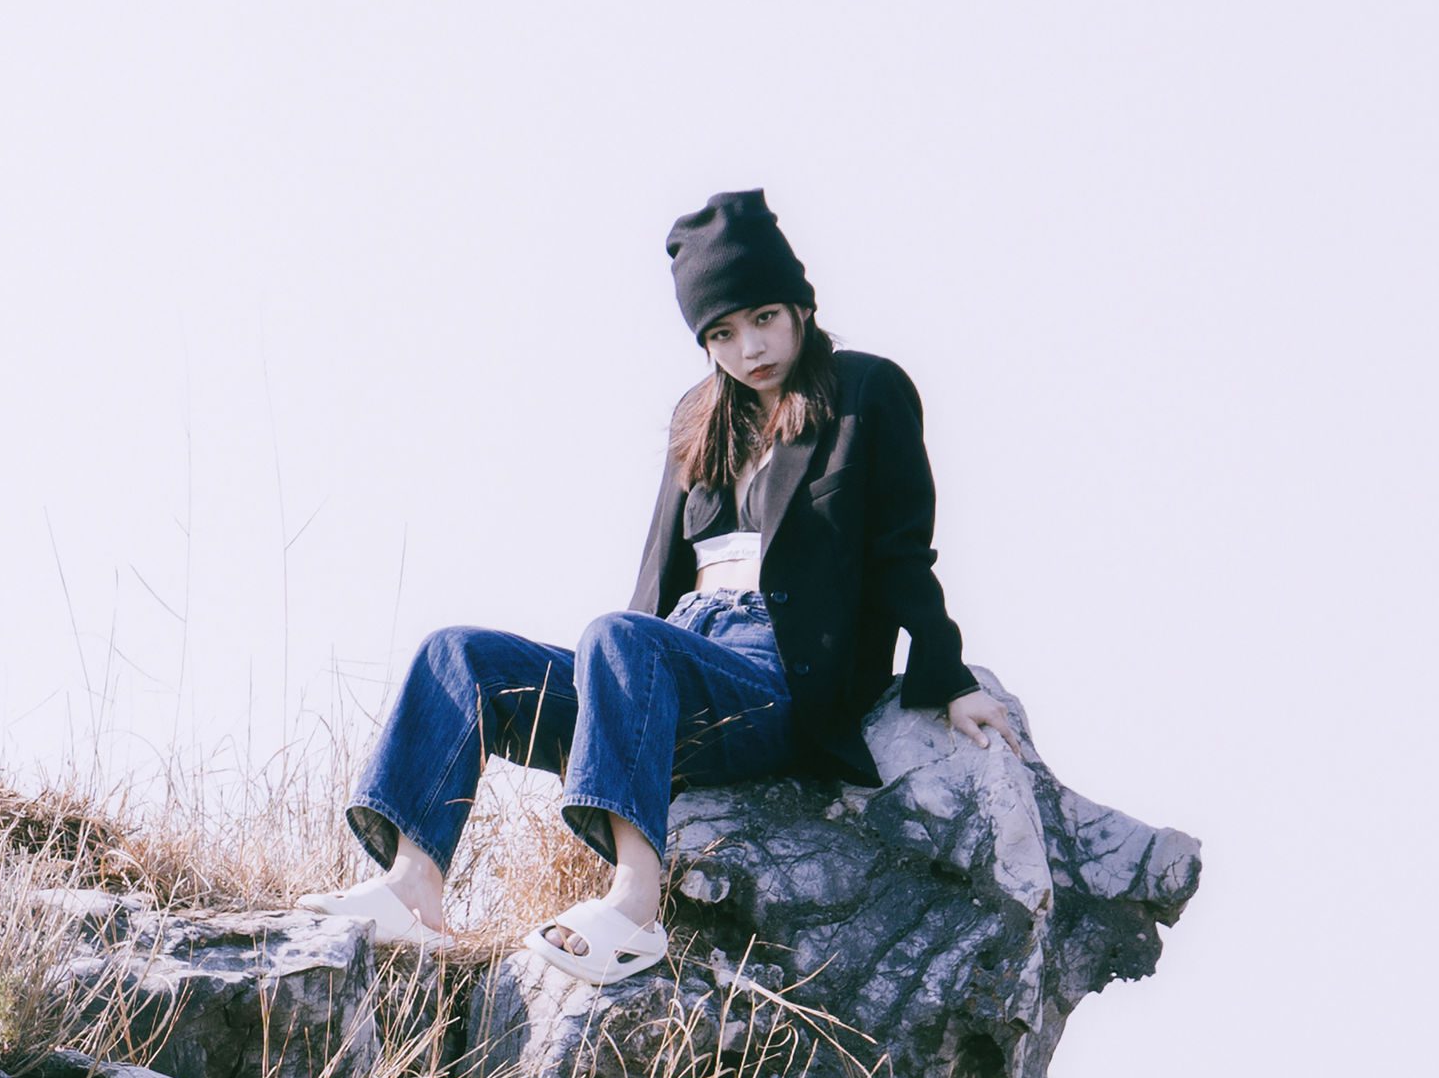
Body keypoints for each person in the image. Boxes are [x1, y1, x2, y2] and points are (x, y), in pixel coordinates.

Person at [345, 189, 1027, 987]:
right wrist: (612, 695)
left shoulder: (866, 393)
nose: (751, 348)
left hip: (776, 681)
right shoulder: (697, 420)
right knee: (455, 653)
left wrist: (948, 675)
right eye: (723, 334)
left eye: (765, 318)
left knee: (620, 638)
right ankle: (413, 886)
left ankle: (634, 903)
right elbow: (652, 586)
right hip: (673, 665)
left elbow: (903, 552)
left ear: (801, 306)